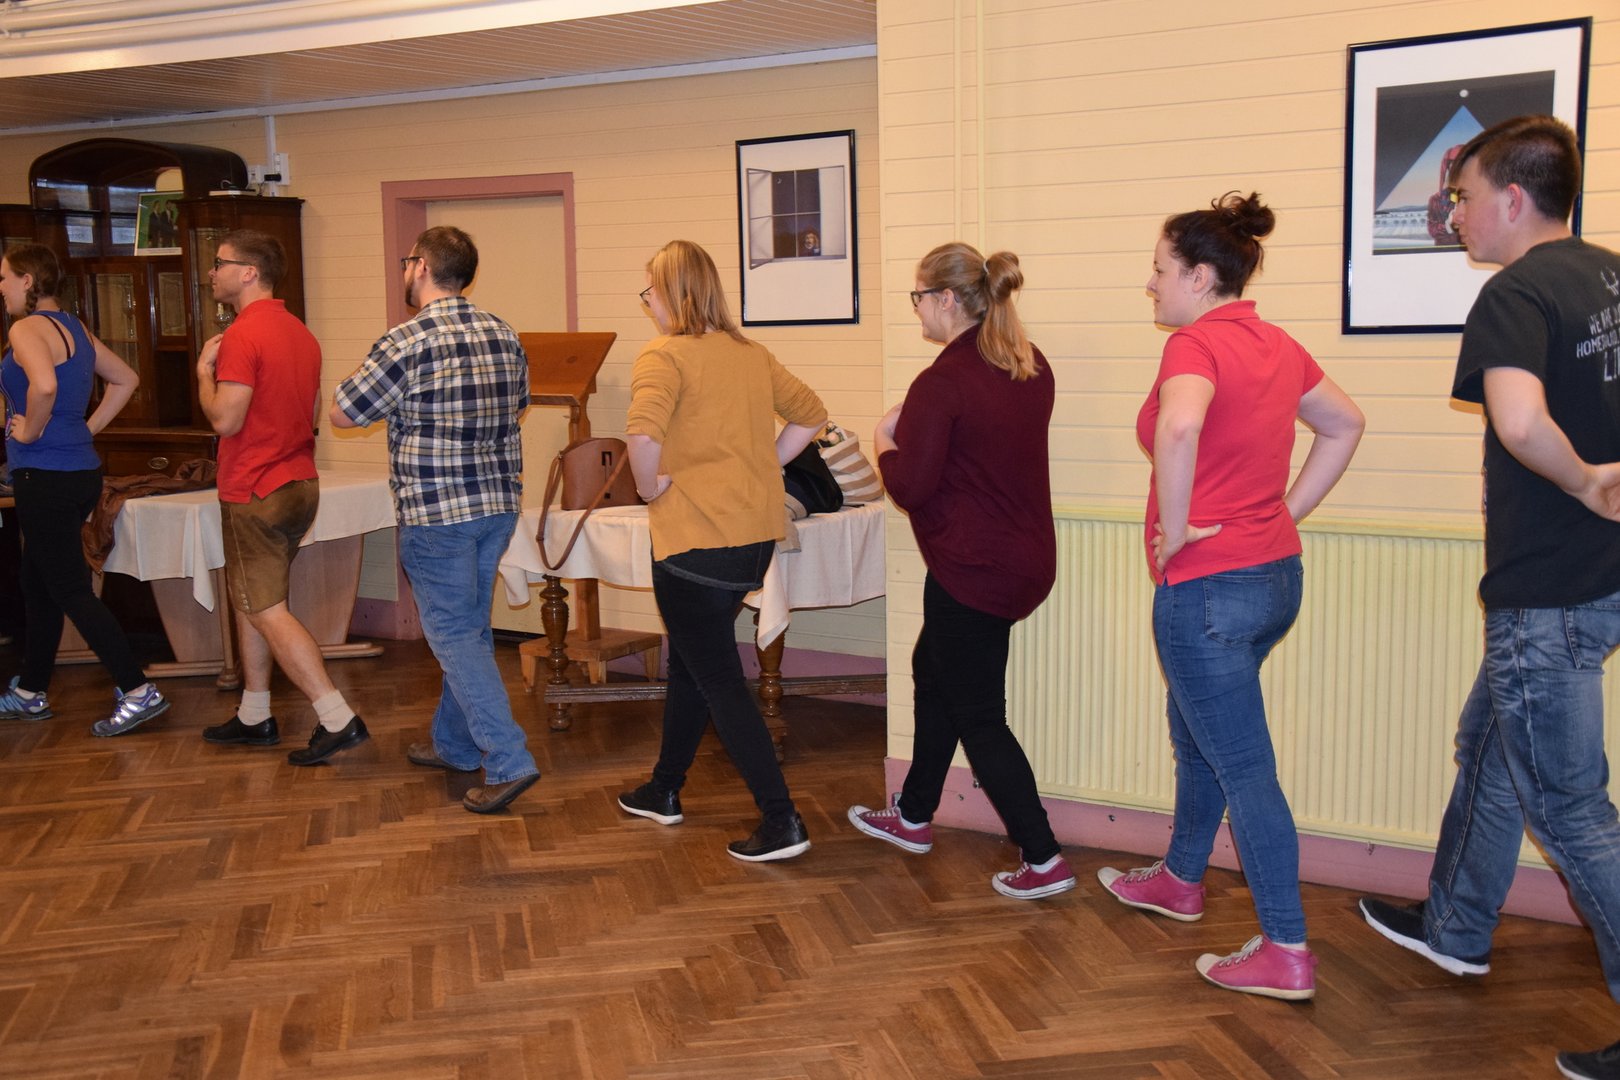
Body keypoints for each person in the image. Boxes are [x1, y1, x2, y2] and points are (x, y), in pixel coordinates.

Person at [1351, 116, 1620, 1080]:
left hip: (1547, 588)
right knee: (1493, 747)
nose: (1454, 215)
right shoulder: (1610, 276)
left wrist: (1586, 480)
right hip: (1599, 578)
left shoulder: (1516, 291)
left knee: (1571, 809)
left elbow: (1519, 421)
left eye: (1462, 197)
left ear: (1512, 198)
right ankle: (1456, 924)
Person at [1097, 193, 1364, 1000]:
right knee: (1199, 735)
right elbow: (1346, 424)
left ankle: (1286, 948)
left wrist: (1178, 529)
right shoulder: (1275, 343)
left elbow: (1179, 428)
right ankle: (1181, 878)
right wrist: (1284, 512)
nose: (1151, 283)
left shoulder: (1195, 344)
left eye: (1159, 269)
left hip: (1207, 590)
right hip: (1274, 578)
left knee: (1244, 768)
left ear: (1200, 277)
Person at [846, 242, 1075, 900]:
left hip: (973, 570)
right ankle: (915, 813)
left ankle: (1044, 857)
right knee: (933, 667)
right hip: (1022, 561)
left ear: (947, 299)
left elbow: (911, 486)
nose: (916, 308)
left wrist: (885, 443)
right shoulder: (1029, 364)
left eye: (919, 296)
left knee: (979, 714)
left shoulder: (943, 382)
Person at [616, 239, 827, 861]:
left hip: (693, 545)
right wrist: (765, 464)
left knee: (717, 680)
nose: (649, 303)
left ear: (671, 293)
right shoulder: (749, 354)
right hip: (750, 542)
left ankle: (781, 818)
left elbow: (641, 436)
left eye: (650, 291)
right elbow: (811, 416)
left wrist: (649, 488)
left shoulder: (663, 355)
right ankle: (664, 787)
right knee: (692, 661)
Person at [332, 226, 539, 815]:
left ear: (420, 267)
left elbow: (343, 413)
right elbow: (520, 404)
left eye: (407, 262)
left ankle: (509, 759)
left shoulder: (405, 340)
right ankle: (454, 745)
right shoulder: (503, 332)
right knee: (467, 631)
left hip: (437, 513)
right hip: (496, 506)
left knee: (453, 636)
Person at [196, 230, 365, 765]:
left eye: (220, 263)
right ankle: (255, 714)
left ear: (249, 272)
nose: (211, 272)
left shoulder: (242, 335)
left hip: (254, 487)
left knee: (266, 608)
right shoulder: (300, 333)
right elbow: (310, 413)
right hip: (298, 482)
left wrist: (203, 375)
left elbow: (225, 419)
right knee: (252, 598)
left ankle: (337, 717)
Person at [0, 243, 170, 735]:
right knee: (38, 582)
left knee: (70, 588)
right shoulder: (75, 327)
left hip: (44, 475)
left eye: (5, 278)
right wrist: (84, 430)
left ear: (27, 280)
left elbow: (44, 387)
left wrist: (30, 432)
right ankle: (31, 691)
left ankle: (138, 690)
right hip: (78, 473)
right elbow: (126, 379)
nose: (1, 288)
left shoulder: (25, 328)